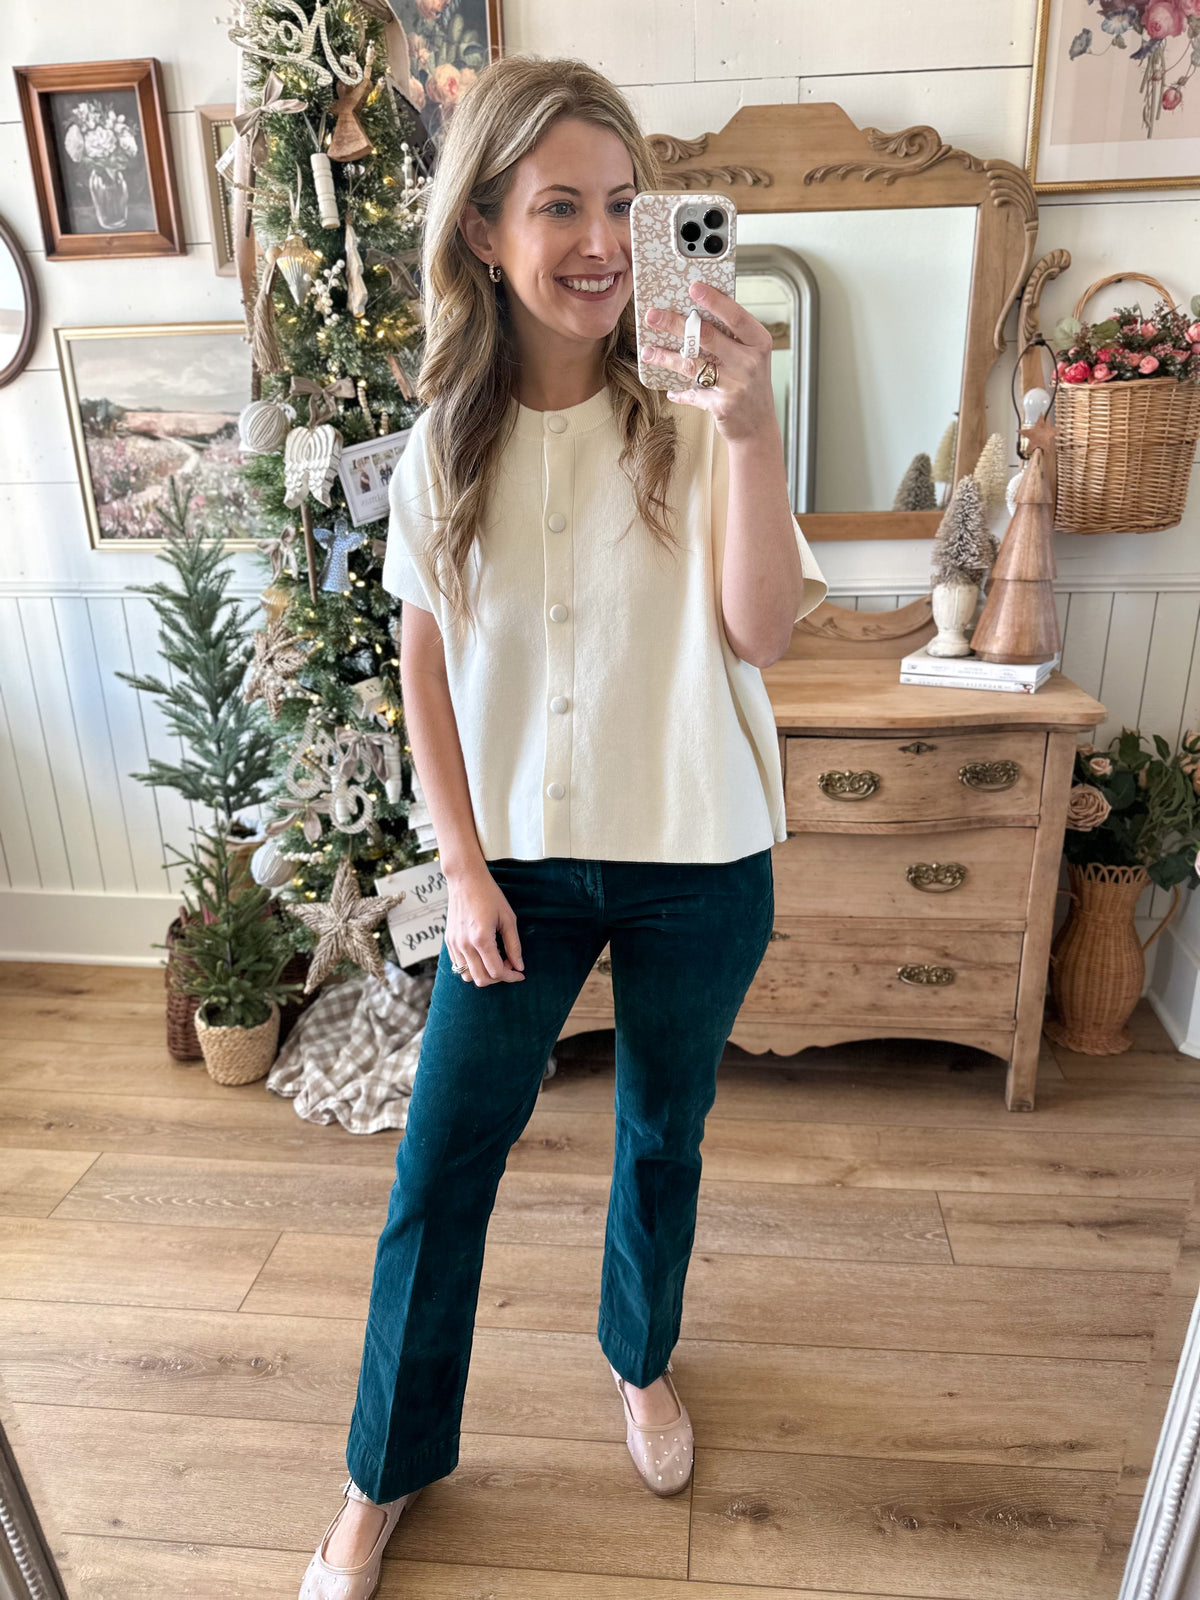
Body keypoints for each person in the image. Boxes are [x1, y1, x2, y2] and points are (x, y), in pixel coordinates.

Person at [299, 51, 827, 1600]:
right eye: (559, 206)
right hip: (517, 865)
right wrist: (459, 868)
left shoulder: (695, 407)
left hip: (701, 851)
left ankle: (640, 1361)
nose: (601, 240)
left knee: (665, 1136)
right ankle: (380, 1472)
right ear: (483, 231)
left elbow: (764, 633)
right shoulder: (440, 448)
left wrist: (746, 428)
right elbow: (423, 665)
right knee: (443, 1165)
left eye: (622, 202)